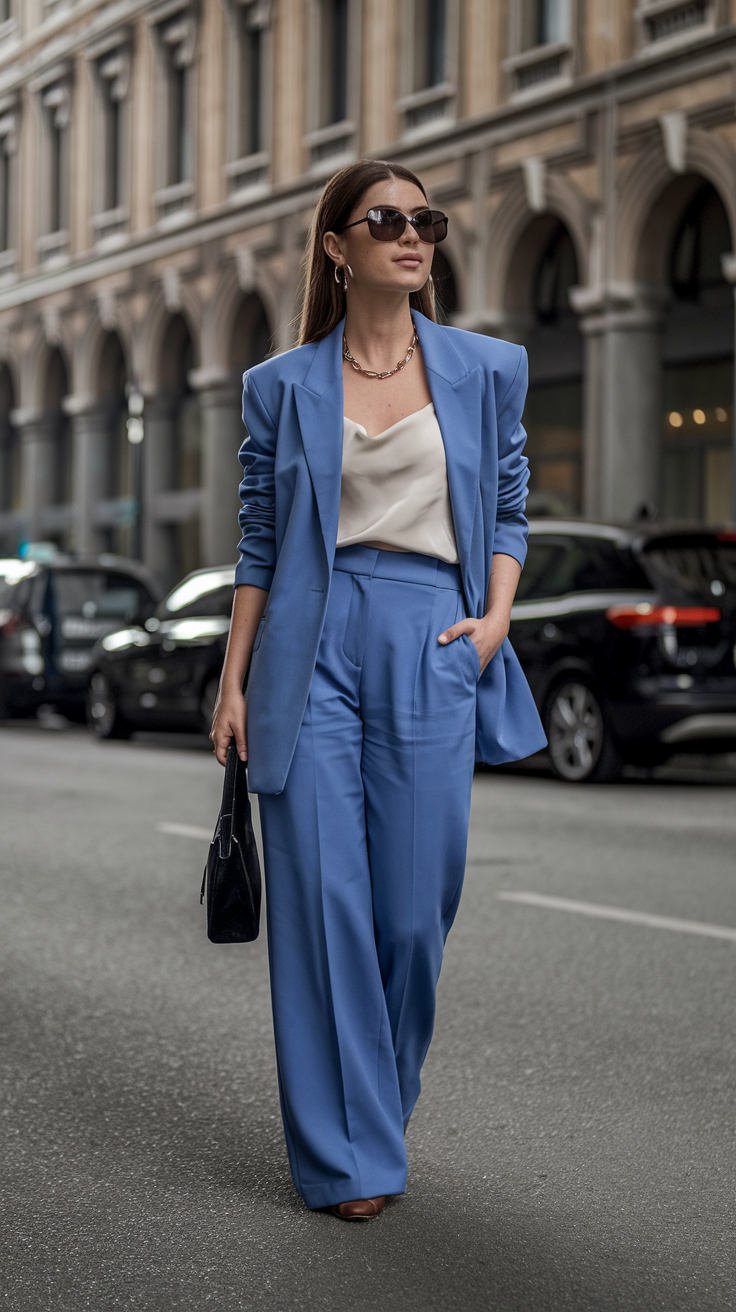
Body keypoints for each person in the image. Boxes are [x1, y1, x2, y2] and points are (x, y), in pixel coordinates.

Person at [210, 159, 546, 1221]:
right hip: (307, 647)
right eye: (386, 220)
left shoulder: (487, 368)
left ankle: (374, 1110)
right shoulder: (281, 386)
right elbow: (258, 544)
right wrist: (231, 685)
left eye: (426, 221)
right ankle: (345, 1156)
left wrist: (494, 621)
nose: (412, 235)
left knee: (410, 911)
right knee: (322, 908)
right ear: (337, 246)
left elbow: (506, 499)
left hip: (431, 636)